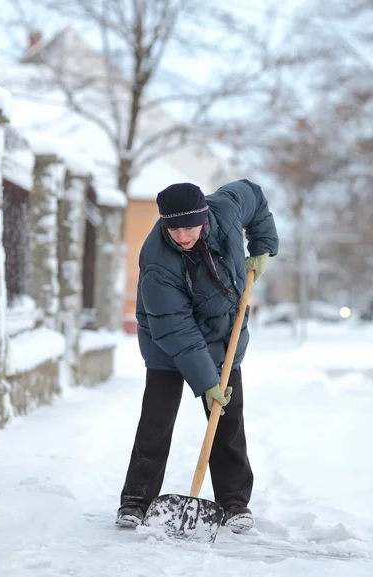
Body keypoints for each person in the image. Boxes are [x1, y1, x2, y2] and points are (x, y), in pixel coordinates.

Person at [116, 179, 279, 532]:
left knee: (227, 418)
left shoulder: (228, 208)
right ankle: (136, 500)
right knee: (156, 421)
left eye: (189, 226)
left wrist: (263, 246)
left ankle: (234, 503)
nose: (182, 235)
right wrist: (206, 382)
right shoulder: (158, 264)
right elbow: (177, 330)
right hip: (168, 343)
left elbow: (255, 195)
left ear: (205, 214)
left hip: (224, 337)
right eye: (173, 227)